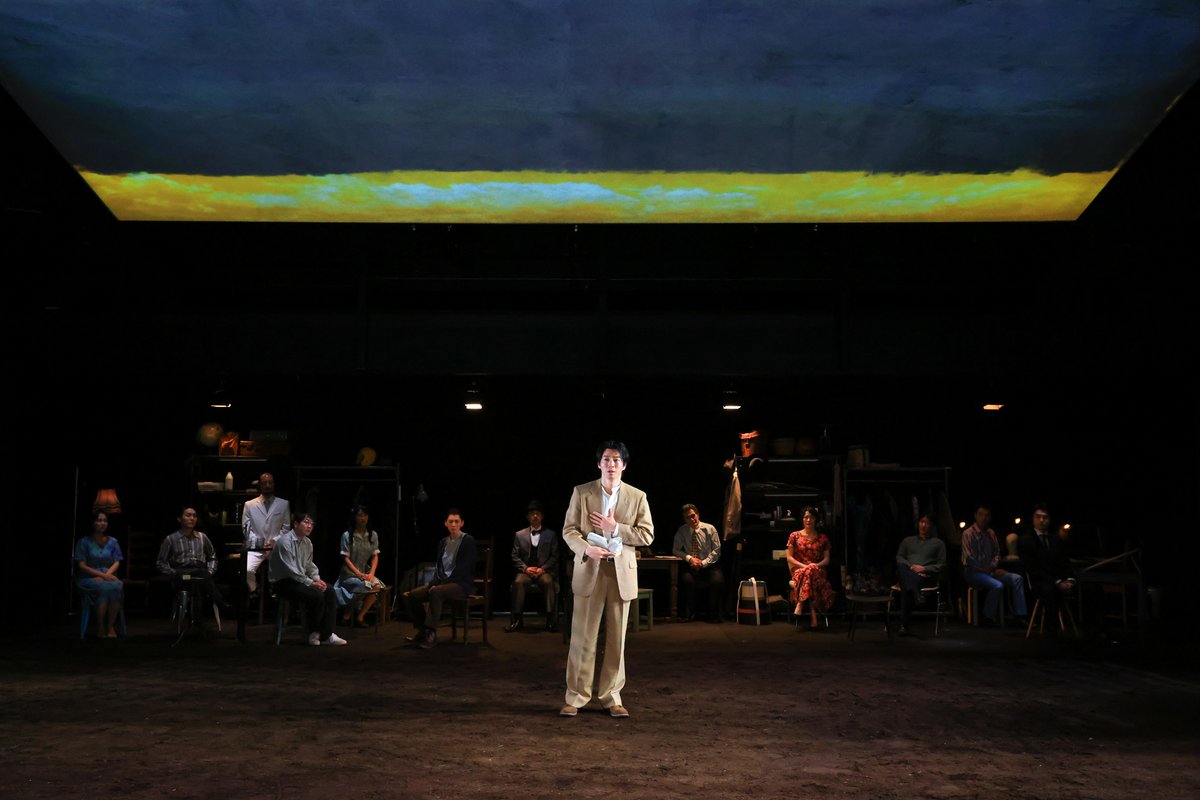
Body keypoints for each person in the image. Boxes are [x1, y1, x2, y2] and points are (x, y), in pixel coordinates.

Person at [559, 441, 654, 719]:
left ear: (624, 465)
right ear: (598, 463)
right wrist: (586, 549)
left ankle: (612, 697)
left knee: (617, 640)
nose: (611, 464)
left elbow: (647, 535)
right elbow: (569, 530)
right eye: (606, 459)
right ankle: (576, 697)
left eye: (616, 460)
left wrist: (616, 528)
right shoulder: (582, 492)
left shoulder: (637, 496)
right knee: (582, 638)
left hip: (620, 573)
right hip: (591, 569)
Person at [268, 512, 348, 646]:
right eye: (306, 522)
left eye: (312, 524)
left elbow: (309, 565)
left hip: (299, 579)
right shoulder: (284, 542)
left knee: (329, 590)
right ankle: (314, 632)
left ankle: (327, 634)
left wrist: (317, 579)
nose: (309, 526)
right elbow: (291, 571)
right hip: (283, 582)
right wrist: (311, 583)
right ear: (295, 524)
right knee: (316, 595)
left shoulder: (307, 542)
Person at [403, 508, 477, 649]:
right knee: (412, 596)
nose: (453, 525)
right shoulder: (443, 542)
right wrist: (434, 583)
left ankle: (431, 633)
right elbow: (439, 566)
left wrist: (440, 585)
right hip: (443, 583)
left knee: (436, 592)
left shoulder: (467, 541)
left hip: (461, 584)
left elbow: (464, 569)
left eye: (456, 521)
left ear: (462, 523)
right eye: (451, 521)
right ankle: (422, 632)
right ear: (445, 523)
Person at [156, 506, 230, 617]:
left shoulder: (202, 537)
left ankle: (196, 620)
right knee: (196, 579)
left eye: (194, 516)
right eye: (188, 515)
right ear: (179, 519)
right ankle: (219, 602)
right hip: (183, 574)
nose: (192, 518)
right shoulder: (170, 539)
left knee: (198, 580)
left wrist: (210, 571)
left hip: (200, 573)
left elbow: (212, 556)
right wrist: (173, 572)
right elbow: (161, 562)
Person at [962, 504, 1027, 626]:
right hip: (973, 572)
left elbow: (997, 553)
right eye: (981, 515)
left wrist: (992, 568)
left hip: (990, 571)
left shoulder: (991, 533)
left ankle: (1020, 615)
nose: (984, 518)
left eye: (987, 515)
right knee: (998, 585)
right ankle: (987, 616)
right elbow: (969, 558)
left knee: (1017, 578)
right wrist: (989, 571)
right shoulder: (968, 534)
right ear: (975, 516)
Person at [1017, 503, 1076, 633]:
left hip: (1058, 580)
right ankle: (1052, 631)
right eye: (1038, 517)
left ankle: (1098, 630)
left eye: (1045, 517)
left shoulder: (1056, 539)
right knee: (1051, 590)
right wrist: (1057, 582)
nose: (1042, 520)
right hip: (1039, 581)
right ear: (1033, 519)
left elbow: (1065, 562)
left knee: (1093, 588)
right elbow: (1033, 568)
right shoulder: (1026, 540)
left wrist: (1070, 580)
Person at [507, 500, 560, 633]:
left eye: (538, 513)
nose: (535, 516)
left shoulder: (551, 534)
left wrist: (543, 568)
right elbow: (514, 556)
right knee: (518, 582)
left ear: (542, 516)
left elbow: (555, 556)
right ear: (528, 517)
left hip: (543, 571)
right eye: (532, 514)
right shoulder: (519, 535)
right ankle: (517, 620)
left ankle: (550, 620)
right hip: (526, 571)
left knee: (548, 582)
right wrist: (525, 568)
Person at [74, 510, 124, 638]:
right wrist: (102, 576)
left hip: (107, 576)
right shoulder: (84, 542)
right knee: (104, 587)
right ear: (92, 523)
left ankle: (110, 626)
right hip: (89, 578)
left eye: (105, 521)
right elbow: (82, 565)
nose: (102, 523)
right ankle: (101, 625)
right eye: (99, 520)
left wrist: (106, 575)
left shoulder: (113, 541)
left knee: (117, 586)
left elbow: (117, 562)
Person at [332, 504, 384, 628]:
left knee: (377, 587)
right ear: (355, 517)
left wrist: (371, 573)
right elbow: (345, 558)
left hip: (365, 572)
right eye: (360, 515)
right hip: (349, 574)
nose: (363, 518)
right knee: (363, 586)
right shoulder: (347, 535)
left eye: (365, 515)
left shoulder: (372, 535)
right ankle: (347, 614)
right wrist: (357, 573)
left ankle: (360, 616)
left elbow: (375, 556)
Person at [895, 513, 946, 636]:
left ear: (932, 525)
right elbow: (899, 557)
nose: (923, 525)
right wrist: (911, 567)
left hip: (924, 577)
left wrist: (924, 569)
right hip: (908, 572)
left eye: (927, 523)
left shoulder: (938, 543)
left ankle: (904, 625)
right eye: (921, 522)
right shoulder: (907, 541)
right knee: (902, 569)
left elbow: (942, 565)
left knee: (906, 586)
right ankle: (917, 594)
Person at [785, 506, 836, 630]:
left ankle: (800, 603)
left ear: (815, 519)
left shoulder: (822, 538)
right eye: (806, 517)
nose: (808, 520)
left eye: (811, 517)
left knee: (811, 573)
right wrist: (805, 566)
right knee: (809, 574)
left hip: (818, 570)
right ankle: (814, 618)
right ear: (802, 519)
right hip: (799, 570)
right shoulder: (794, 536)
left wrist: (815, 565)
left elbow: (827, 560)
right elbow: (789, 558)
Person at [672, 503, 724, 622]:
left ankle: (712, 614)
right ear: (684, 520)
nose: (692, 519)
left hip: (709, 565)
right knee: (686, 580)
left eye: (693, 515)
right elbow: (675, 549)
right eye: (688, 518)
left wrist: (703, 563)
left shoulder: (710, 529)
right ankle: (691, 613)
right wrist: (690, 558)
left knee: (717, 580)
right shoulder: (682, 531)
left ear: (697, 515)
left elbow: (717, 550)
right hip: (691, 565)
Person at [242, 472, 292, 596]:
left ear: (274, 484)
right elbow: (246, 529)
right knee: (246, 569)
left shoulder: (283, 504)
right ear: (260, 485)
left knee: (285, 570)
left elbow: (286, 529)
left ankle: (275, 593)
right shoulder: (249, 505)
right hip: (256, 548)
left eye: (270, 482)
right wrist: (260, 543)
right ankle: (255, 590)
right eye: (264, 483)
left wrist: (274, 542)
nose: (268, 485)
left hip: (276, 548)